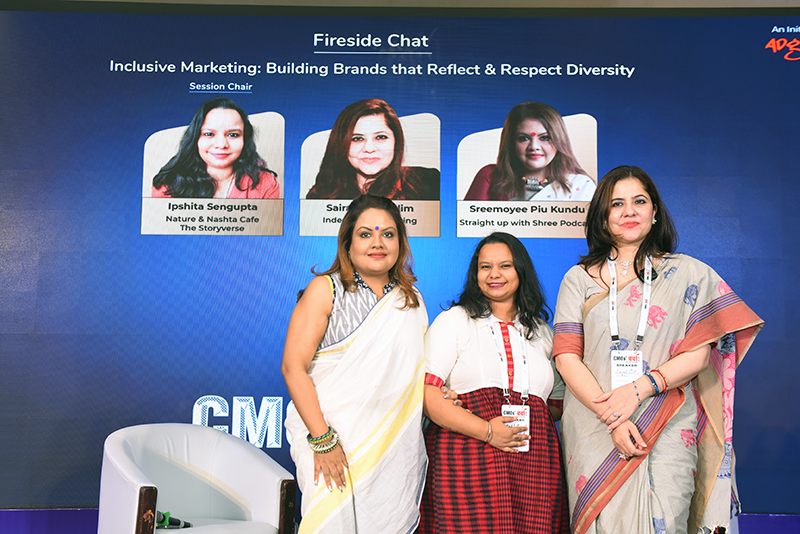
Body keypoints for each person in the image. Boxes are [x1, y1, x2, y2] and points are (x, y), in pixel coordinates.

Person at [552, 166, 763, 534]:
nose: (629, 211)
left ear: (654, 213)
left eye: (639, 201)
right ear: (602, 217)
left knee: (667, 518)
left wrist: (638, 389)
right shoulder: (578, 279)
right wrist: (613, 417)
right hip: (595, 423)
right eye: (617, 204)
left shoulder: (690, 275)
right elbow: (567, 356)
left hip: (667, 422)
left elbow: (698, 356)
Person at [282, 194, 428, 533]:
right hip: (329, 440)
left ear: (400, 244)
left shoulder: (411, 299)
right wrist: (323, 441)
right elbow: (293, 367)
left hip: (391, 447)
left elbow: (415, 373)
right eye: (365, 234)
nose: (378, 243)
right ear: (348, 243)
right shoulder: (326, 289)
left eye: (388, 234)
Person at [419, 232, 570, 534]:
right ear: (475, 274)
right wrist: (488, 431)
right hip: (465, 460)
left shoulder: (542, 332)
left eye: (505, 266)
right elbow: (426, 395)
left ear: (521, 271)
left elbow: (555, 405)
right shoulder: (455, 320)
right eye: (485, 267)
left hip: (533, 464)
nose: (494, 274)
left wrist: (523, 424)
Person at [306, 99, 440, 200]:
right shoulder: (321, 194)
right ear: (341, 144)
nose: (369, 148)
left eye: (380, 137)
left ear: (396, 141)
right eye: (357, 138)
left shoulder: (430, 182)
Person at [464, 102, 595, 201]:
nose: (534, 146)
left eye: (544, 138)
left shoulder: (580, 185)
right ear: (511, 142)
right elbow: (467, 226)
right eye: (523, 138)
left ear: (559, 141)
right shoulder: (490, 176)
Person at [152, 98, 279, 198]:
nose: (221, 144)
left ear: (244, 139)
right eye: (209, 134)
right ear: (196, 138)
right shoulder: (168, 185)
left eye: (233, 135)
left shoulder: (266, 183)